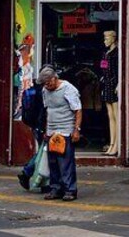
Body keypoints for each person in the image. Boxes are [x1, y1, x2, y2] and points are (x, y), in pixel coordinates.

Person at [38, 65, 82, 201]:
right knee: (53, 162)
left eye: (48, 83)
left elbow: (78, 110)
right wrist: (46, 130)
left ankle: (70, 189)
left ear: (54, 78)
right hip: (52, 130)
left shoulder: (68, 89)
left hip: (65, 129)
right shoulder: (45, 90)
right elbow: (47, 110)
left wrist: (76, 130)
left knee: (65, 162)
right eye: (44, 84)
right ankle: (56, 188)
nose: (47, 86)